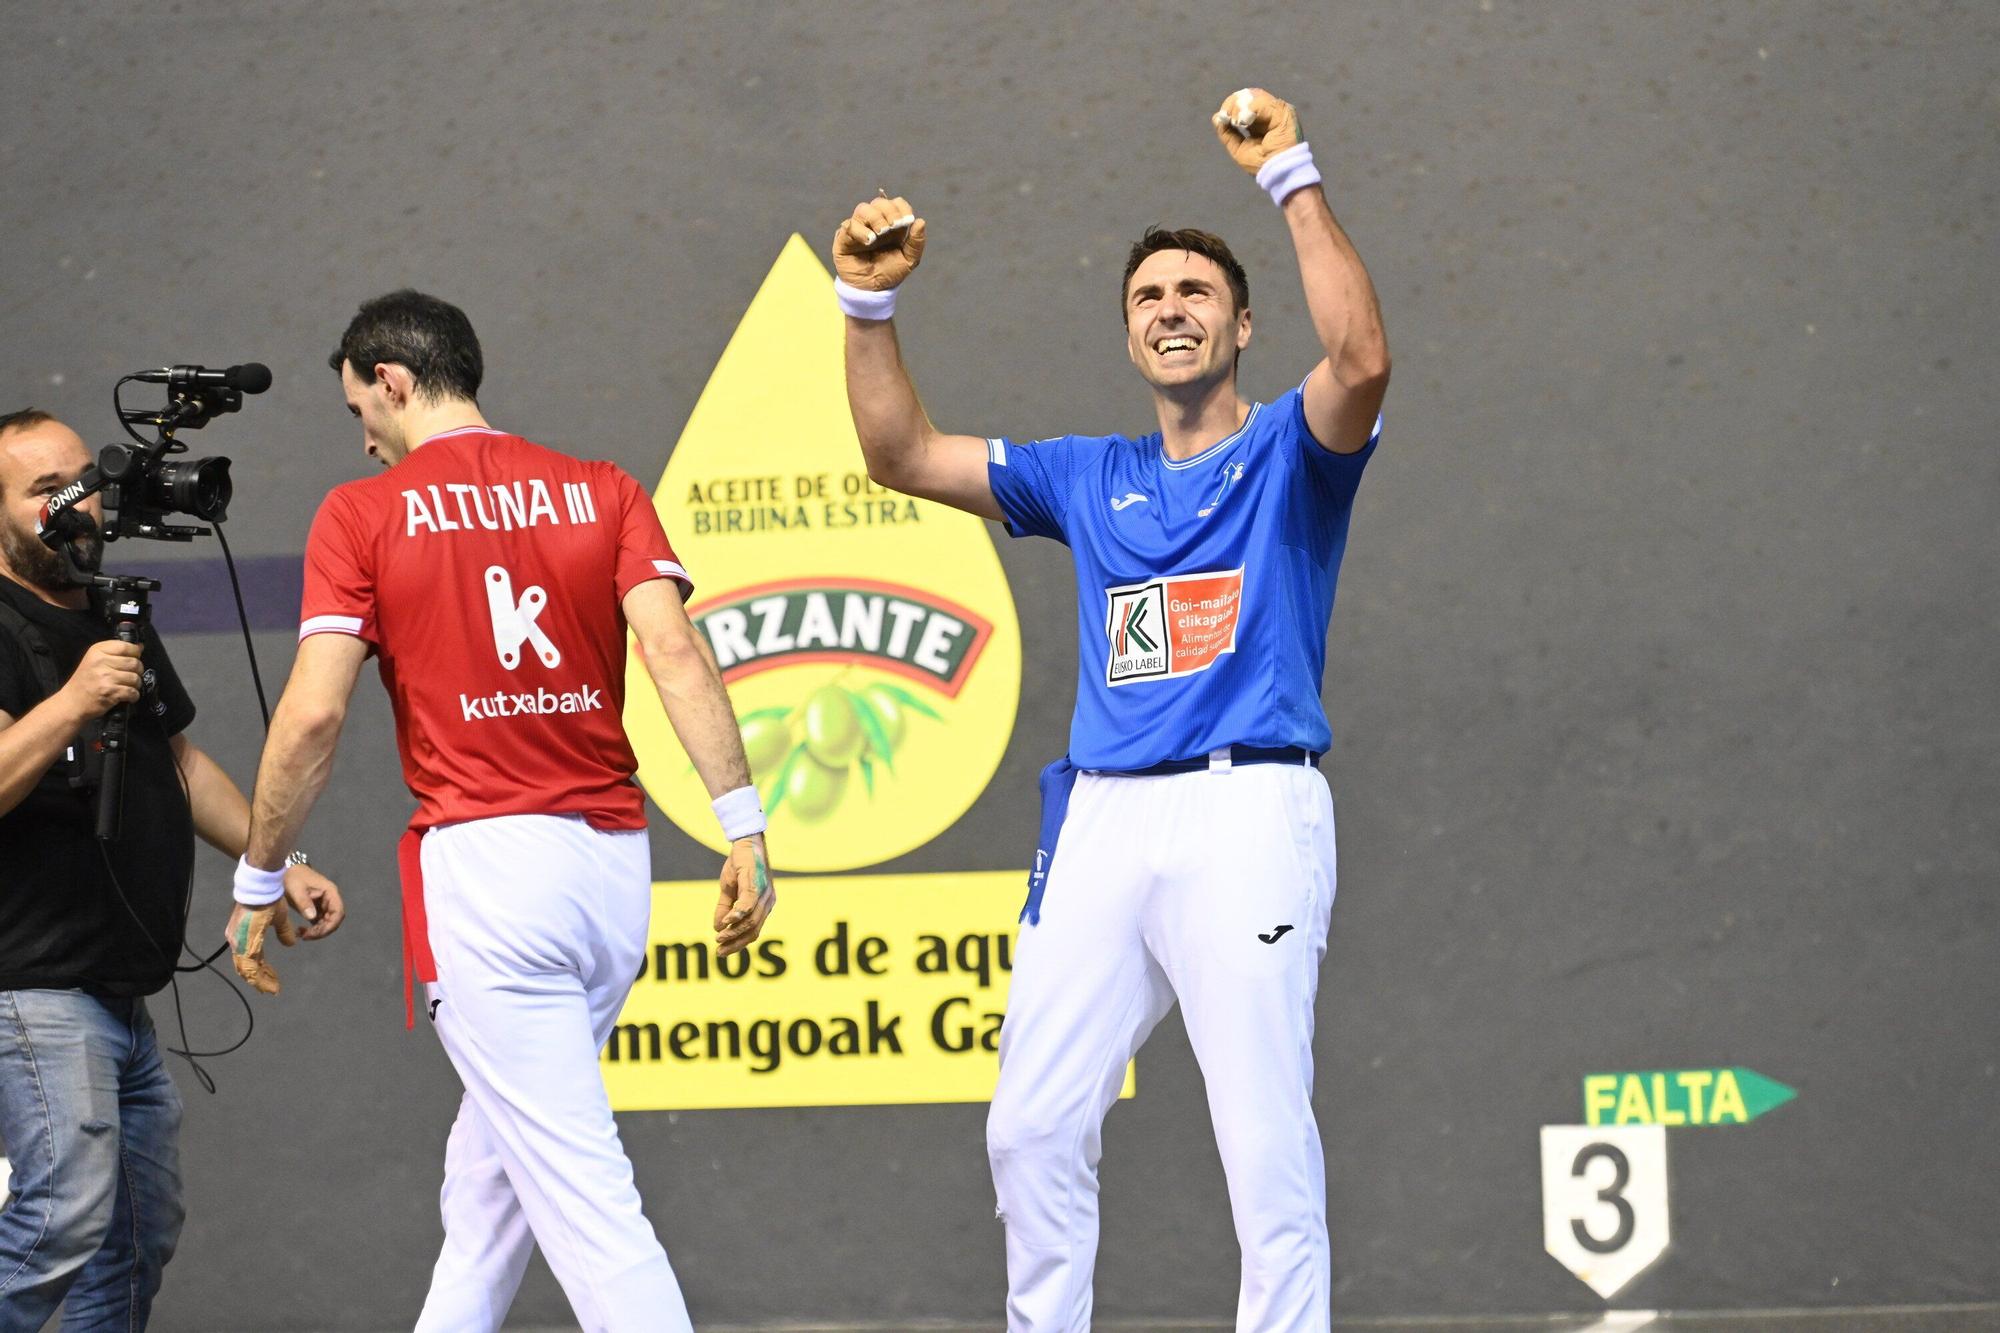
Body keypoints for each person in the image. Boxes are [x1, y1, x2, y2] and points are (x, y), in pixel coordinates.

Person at [833, 88, 1390, 1330]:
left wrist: (1288, 173)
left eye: (1194, 294)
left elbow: (1359, 359)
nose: (1170, 310)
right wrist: (866, 307)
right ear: (1128, 336)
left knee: (1259, 1137)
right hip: (1099, 824)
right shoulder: (1087, 475)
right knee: (1029, 1125)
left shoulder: (1295, 448)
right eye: (1148, 299)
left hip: (1249, 807)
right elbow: (900, 454)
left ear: (1241, 325)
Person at [226, 290, 775, 1333]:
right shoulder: (602, 489)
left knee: (585, 1200)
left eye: (359, 412)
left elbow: (311, 716)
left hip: (487, 879)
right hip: (611, 878)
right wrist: (741, 822)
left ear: (390, 379)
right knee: (486, 1188)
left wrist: (257, 876)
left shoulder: (362, 513)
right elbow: (673, 653)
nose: (365, 438)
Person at [0, 408, 340, 1329]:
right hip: (34, 989)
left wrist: (276, 861)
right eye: (42, 491)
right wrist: (73, 701)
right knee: (59, 1219)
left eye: (82, 480)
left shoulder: (115, 617)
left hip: (122, 993)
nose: (75, 505)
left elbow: (179, 763)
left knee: (137, 1236)